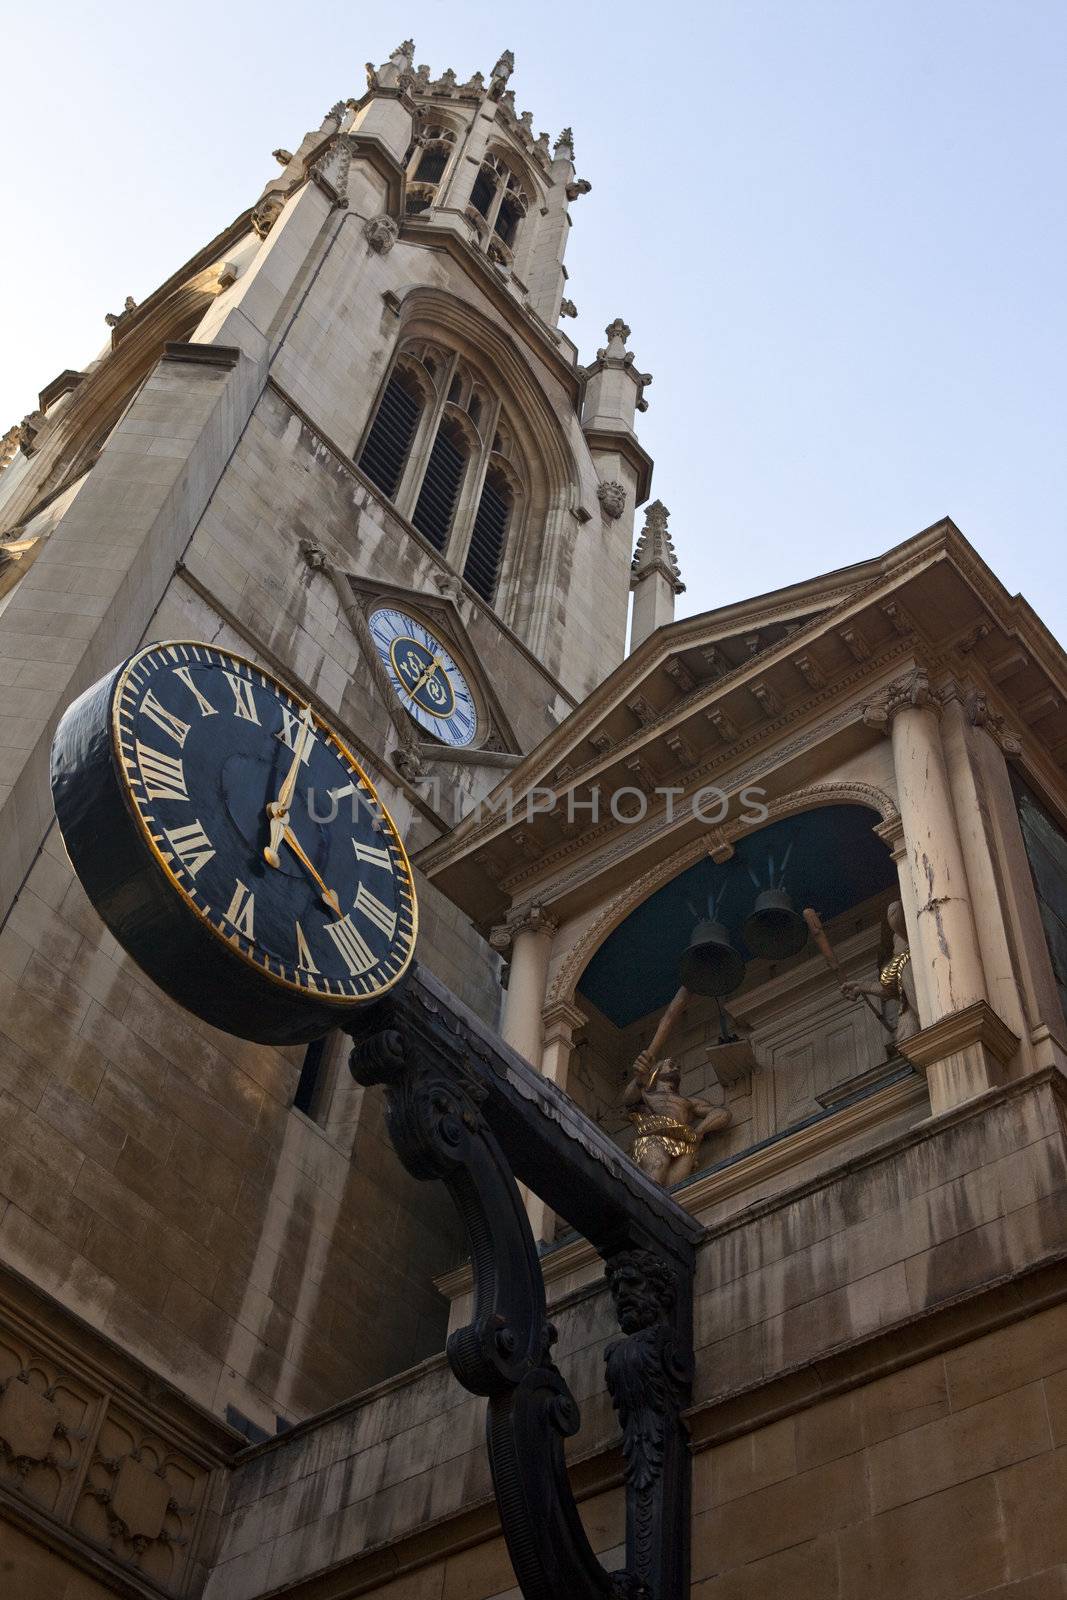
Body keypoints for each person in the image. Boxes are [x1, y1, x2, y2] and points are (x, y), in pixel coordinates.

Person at [623, 1053, 731, 1186]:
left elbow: (722, 1114)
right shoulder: (646, 1096)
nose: (676, 1068)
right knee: (658, 1164)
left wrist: (699, 1131)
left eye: (678, 1067)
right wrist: (640, 1077)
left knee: (674, 1191)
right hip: (653, 1137)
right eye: (671, 1065)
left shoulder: (689, 1103)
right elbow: (628, 1099)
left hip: (684, 1145)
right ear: (656, 1070)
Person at [840, 900, 919, 1047]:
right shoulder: (901, 956)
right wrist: (862, 986)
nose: (895, 950)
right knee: (909, 1041)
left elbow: (894, 911)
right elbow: (891, 987)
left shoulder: (914, 944)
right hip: (909, 1012)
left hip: (929, 1005)